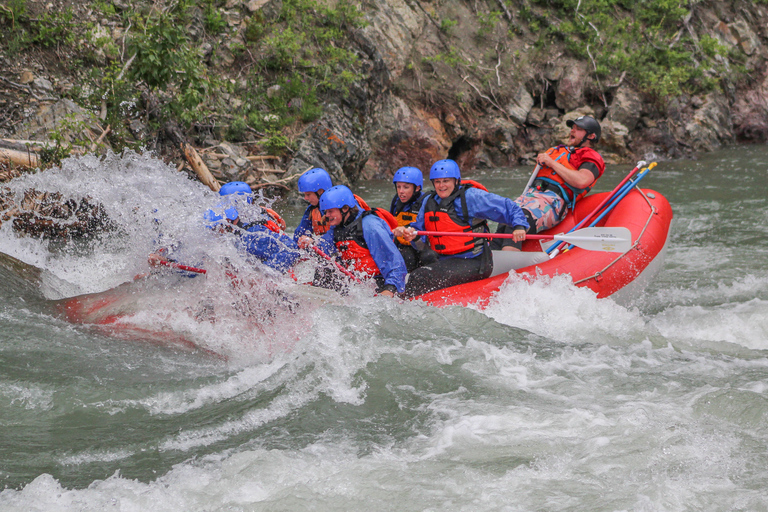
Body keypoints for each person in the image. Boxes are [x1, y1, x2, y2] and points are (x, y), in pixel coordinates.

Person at [393, 159, 529, 299]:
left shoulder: (471, 197)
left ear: (456, 181)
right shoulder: (429, 201)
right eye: (438, 182)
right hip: (443, 260)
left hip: (474, 262)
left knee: (419, 277)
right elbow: (419, 238)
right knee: (410, 262)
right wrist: (411, 235)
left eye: (446, 181)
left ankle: (404, 306)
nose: (441, 186)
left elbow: (509, 207)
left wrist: (519, 226)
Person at [492, 115, 606, 251]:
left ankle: (508, 266)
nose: (572, 131)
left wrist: (551, 163)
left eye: (578, 129)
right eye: (572, 128)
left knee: (519, 220)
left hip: (553, 202)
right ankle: (492, 266)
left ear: (591, 136)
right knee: (504, 220)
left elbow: (582, 181)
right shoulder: (558, 151)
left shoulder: (590, 156)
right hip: (532, 195)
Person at [149, 181, 302, 274]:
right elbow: (198, 264)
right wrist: (167, 262)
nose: (217, 229)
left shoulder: (254, 234)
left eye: (223, 222)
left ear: (234, 218)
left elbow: (291, 250)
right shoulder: (223, 232)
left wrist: (265, 275)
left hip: (272, 283)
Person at [306, 185, 406, 298]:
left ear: (344, 209)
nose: (326, 216)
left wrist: (390, 289)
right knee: (324, 269)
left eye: (330, 211)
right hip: (355, 280)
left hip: (377, 281)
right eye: (326, 212)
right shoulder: (338, 226)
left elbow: (394, 261)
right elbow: (323, 247)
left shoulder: (370, 226)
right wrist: (311, 244)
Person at [389, 166, 437, 272]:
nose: (401, 191)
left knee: (421, 257)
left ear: (417, 188)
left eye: (406, 187)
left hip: (421, 246)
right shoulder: (396, 201)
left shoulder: (427, 201)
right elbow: (391, 222)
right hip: (402, 244)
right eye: (398, 187)